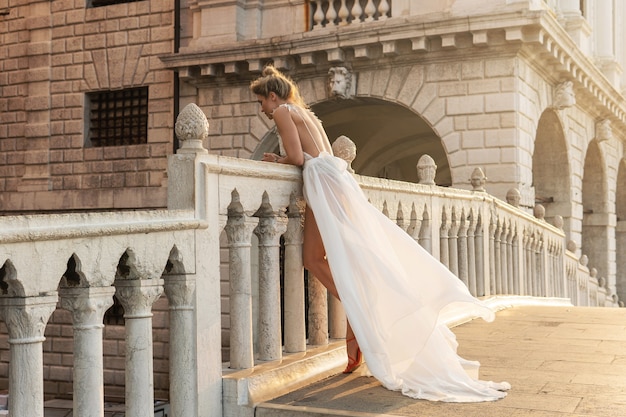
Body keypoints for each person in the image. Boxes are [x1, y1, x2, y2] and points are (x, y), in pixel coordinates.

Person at [250, 65, 510, 402]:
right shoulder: (306, 112)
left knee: (319, 259)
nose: (263, 110)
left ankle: (362, 313)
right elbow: (322, 153)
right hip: (332, 180)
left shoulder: (284, 111)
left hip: (322, 182)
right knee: (328, 257)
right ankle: (361, 314)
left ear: (273, 96)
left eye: (261, 102)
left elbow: (299, 157)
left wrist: (276, 160)